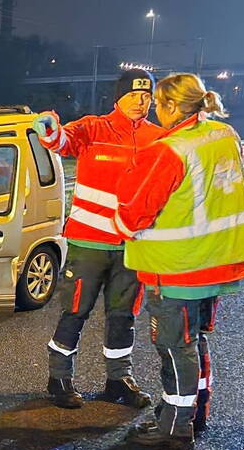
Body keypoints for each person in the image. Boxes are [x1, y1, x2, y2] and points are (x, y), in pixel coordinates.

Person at [114, 73, 244, 449]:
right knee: (195, 341)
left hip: (178, 269)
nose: (156, 111)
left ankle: (173, 425)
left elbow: (131, 217)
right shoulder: (225, 135)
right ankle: (196, 411)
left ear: (172, 106)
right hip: (219, 262)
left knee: (175, 347)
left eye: (158, 104)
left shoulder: (169, 150)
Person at [32, 69, 164, 409]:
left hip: (133, 246)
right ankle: (59, 378)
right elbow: (59, 141)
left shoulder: (159, 138)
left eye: (146, 95)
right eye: (134, 94)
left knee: (124, 316)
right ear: (118, 97)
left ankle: (119, 380)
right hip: (89, 244)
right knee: (75, 311)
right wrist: (48, 127)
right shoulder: (93, 128)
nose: (140, 100)